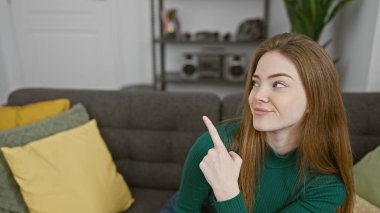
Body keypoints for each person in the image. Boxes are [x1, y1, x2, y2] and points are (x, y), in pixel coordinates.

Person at [169, 33, 354, 213]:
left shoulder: (327, 187)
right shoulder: (212, 148)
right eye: (256, 83)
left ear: (314, 100)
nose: (257, 95)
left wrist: (227, 193)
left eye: (278, 84)